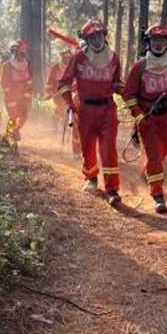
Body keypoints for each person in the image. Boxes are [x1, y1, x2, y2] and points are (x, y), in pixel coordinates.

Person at [58, 19, 123, 205]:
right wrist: (70, 103)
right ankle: (92, 178)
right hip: (85, 109)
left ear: (105, 35)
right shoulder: (78, 58)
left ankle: (112, 190)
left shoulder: (114, 57)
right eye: (92, 36)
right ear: (87, 39)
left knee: (108, 149)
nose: (96, 39)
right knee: (87, 148)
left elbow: (118, 82)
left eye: (99, 35)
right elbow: (64, 83)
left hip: (107, 109)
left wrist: (124, 91)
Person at [123, 23, 167, 213]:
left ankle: (146, 173)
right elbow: (128, 94)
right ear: (148, 43)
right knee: (155, 156)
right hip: (147, 118)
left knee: (162, 152)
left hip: (164, 116)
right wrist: (138, 114)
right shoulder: (140, 66)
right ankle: (158, 195)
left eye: (162, 40)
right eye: (154, 40)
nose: (158, 44)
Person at [46, 50, 81, 155]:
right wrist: (51, 92)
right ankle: (54, 124)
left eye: (68, 58)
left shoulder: (74, 68)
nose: (67, 59)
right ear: (61, 58)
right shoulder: (55, 68)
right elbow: (49, 83)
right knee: (61, 107)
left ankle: (72, 128)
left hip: (71, 94)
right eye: (65, 57)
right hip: (58, 94)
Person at [0, 39, 34, 141]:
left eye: (24, 50)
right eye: (21, 50)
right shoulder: (7, 65)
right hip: (11, 95)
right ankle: (8, 140)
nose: (23, 53)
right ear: (15, 51)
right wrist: (9, 92)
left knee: (24, 116)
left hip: (24, 96)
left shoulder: (28, 65)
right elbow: (3, 81)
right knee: (13, 116)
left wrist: (28, 92)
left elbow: (30, 80)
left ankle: (14, 131)